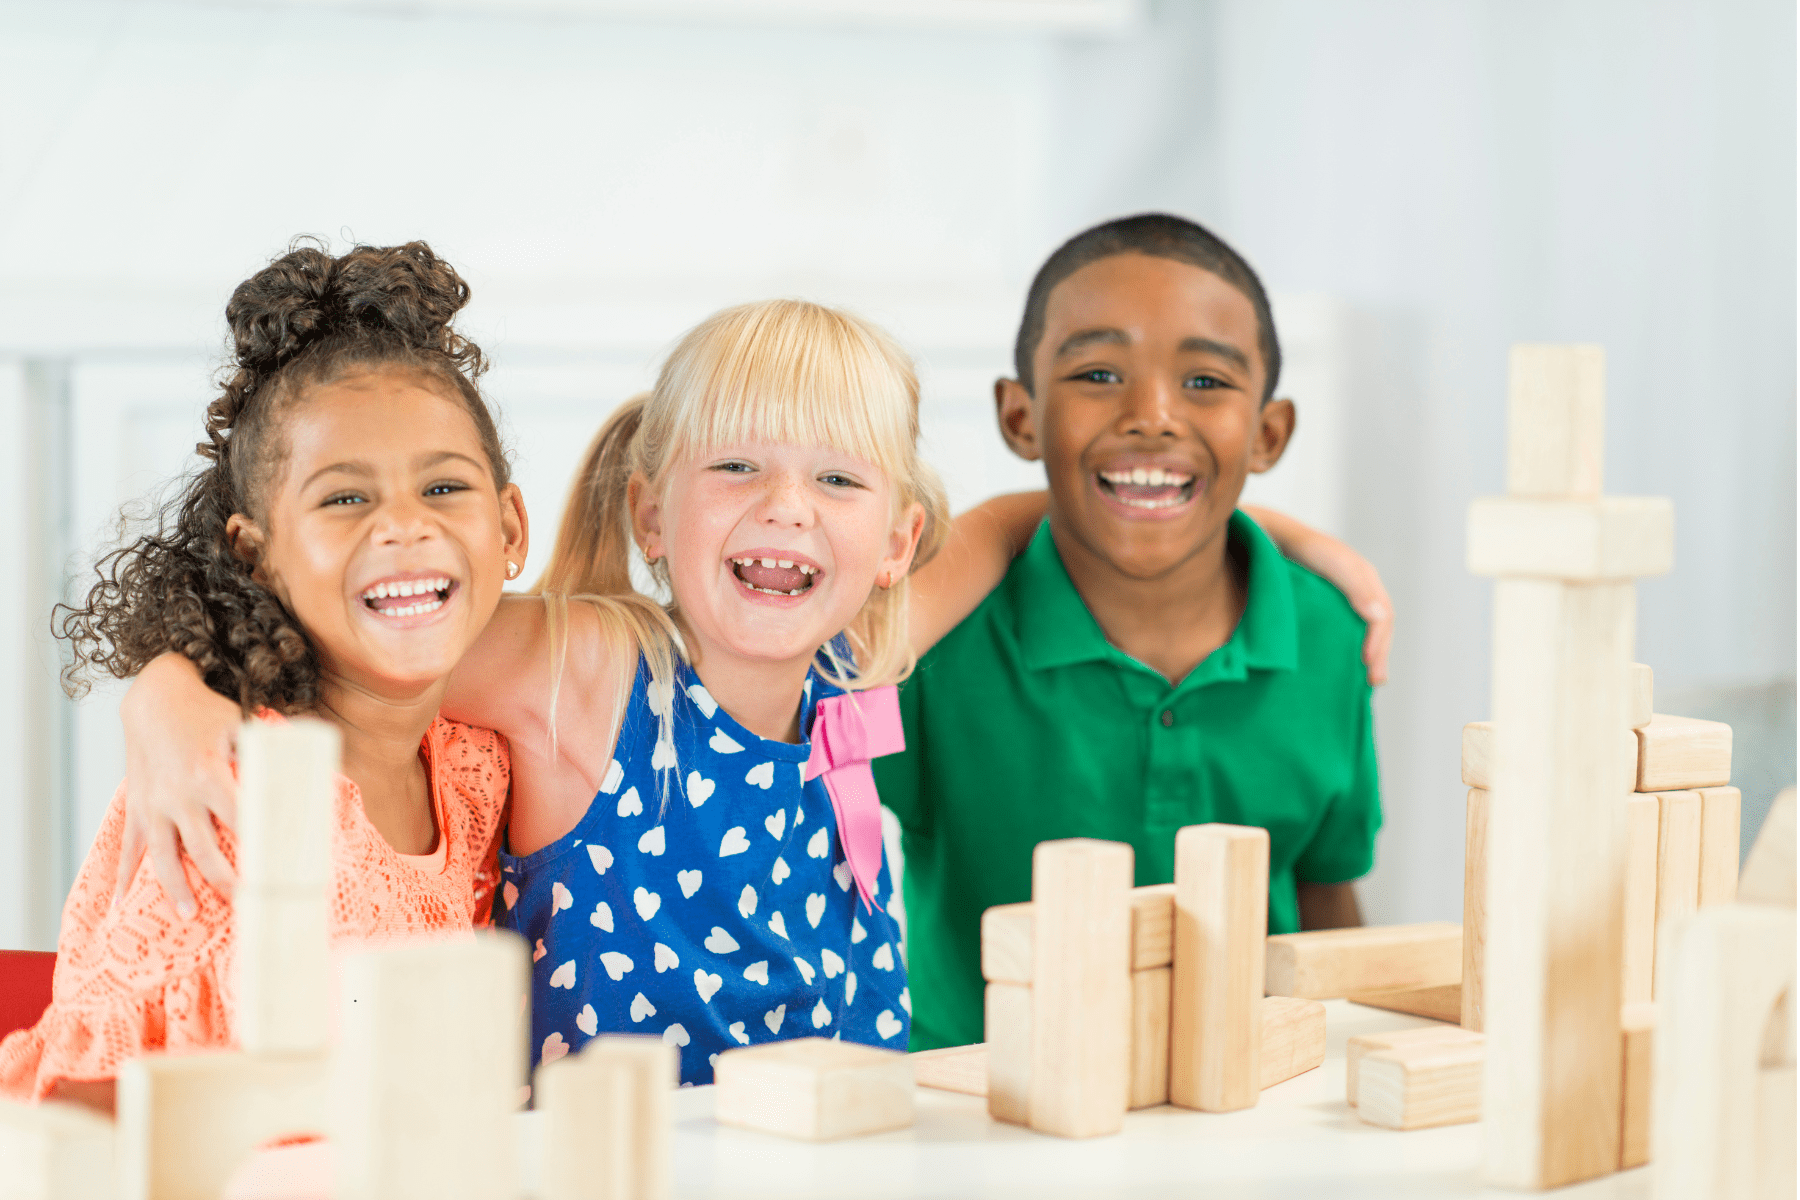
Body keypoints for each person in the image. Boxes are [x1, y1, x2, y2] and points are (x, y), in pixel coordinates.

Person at [0, 240, 523, 1108]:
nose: (403, 527)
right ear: (254, 554)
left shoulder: (481, 759)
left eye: (443, 489)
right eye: (344, 498)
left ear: (509, 529)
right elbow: (100, 1113)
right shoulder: (227, 788)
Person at [877, 213, 1388, 1051]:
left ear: (1268, 433)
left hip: (1250, 1109)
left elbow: (1329, 897)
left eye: (1206, 383)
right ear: (1021, 416)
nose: (1152, 415)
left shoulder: (1330, 634)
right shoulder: (935, 643)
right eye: (1100, 372)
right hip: (979, 1121)